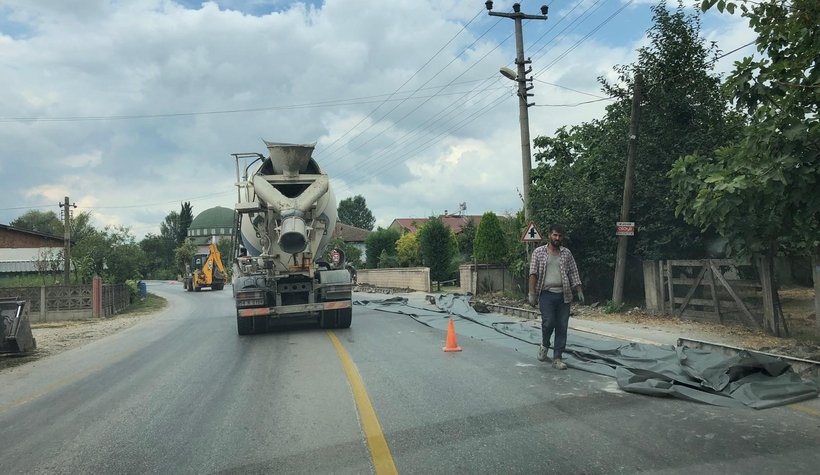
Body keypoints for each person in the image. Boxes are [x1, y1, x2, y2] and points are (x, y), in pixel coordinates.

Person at [528, 224, 584, 370]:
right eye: (555, 235)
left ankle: (557, 357)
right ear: (549, 235)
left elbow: (573, 272)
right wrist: (532, 294)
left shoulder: (566, 253)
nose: (557, 238)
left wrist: (578, 289)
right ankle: (545, 344)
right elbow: (533, 273)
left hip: (564, 295)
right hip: (546, 294)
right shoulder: (539, 252)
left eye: (559, 236)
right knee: (548, 322)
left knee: (562, 326)